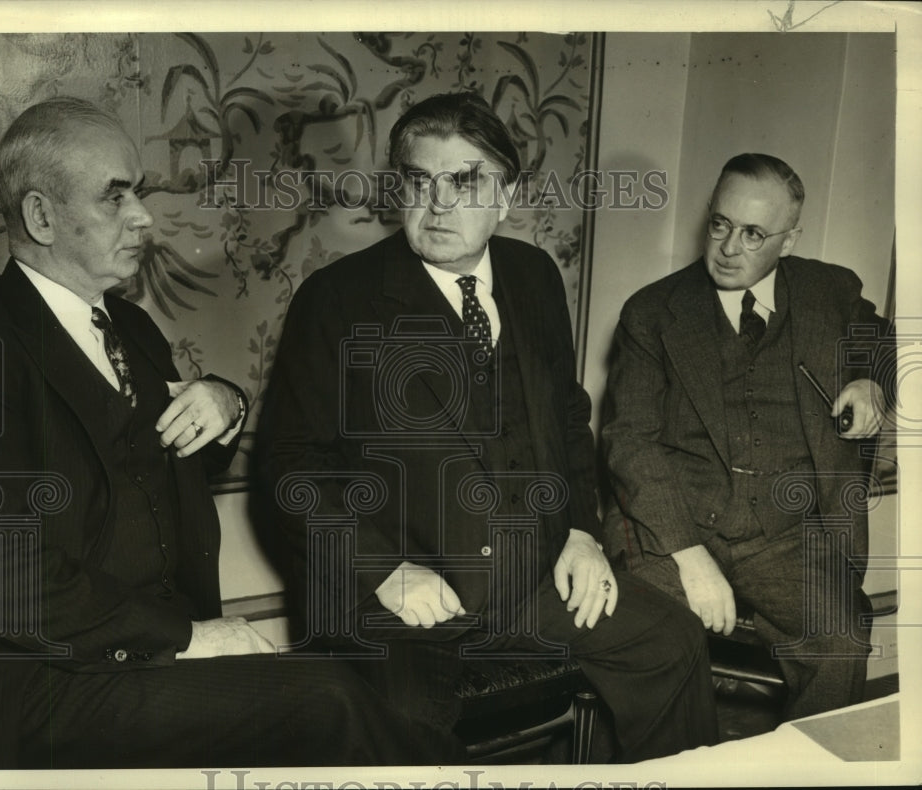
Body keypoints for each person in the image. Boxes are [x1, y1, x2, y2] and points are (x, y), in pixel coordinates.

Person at [0, 96, 425, 769]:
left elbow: (166, 465)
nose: (144, 216)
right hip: (52, 684)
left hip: (150, 661)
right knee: (326, 699)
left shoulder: (133, 331)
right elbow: (5, 576)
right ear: (39, 215)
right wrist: (187, 637)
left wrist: (226, 399)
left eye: (137, 193)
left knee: (343, 690)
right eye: (115, 197)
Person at [254, 91, 719, 763]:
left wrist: (581, 532)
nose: (439, 205)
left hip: (530, 577)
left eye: (466, 183)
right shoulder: (336, 300)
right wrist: (383, 572)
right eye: (420, 181)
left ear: (506, 196)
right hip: (399, 603)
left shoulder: (533, 277)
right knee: (402, 723)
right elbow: (288, 466)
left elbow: (565, 418)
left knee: (669, 642)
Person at [601, 153, 892, 720]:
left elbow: (883, 339)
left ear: (788, 240)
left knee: (841, 643)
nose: (730, 247)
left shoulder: (829, 291)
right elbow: (629, 441)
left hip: (786, 537)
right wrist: (689, 557)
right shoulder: (652, 313)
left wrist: (872, 382)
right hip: (675, 526)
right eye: (720, 225)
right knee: (653, 643)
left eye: (754, 233)